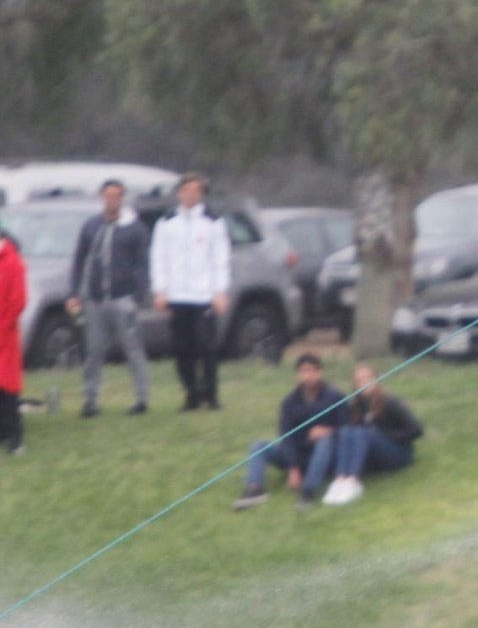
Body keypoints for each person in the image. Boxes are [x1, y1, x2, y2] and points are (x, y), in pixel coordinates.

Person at [67, 179, 152, 417]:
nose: (112, 200)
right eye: (108, 195)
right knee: (94, 350)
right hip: (95, 298)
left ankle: (142, 398)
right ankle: (90, 400)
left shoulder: (134, 228)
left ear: (122, 198)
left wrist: (138, 297)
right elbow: (79, 260)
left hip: (123, 297)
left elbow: (143, 265)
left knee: (132, 349)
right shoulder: (92, 226)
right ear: (102, 198)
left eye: (116, 196)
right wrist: (74, 293)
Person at [150, 172, 231, 411]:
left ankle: (211, 394)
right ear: (179, 193)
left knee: (206, 346)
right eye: (186, 190)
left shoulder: (213, 222)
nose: (190, 195)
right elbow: (158, 258)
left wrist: (219, 291)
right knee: (182, 349)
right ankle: (191, 394)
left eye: (196, 191)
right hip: (177, 296)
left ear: (202, 194)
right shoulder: (167, 222)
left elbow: (220, 259)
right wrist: (160, 290)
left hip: (204, 296)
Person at [232, 353, 346, 510]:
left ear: (320, 372)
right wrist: (293, 468)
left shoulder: (335, 397)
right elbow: (286, 437)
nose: (309, 375)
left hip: (325, 456)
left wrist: (329, 431)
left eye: (313, 370)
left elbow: (348, 430)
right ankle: (254, 489)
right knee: (259, 445)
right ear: (297, 374)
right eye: (304, 371)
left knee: (324, 441)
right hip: (298, 454)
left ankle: (307, 492)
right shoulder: (289, 402)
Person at [322, 362, 423, 506]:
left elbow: (416, 430)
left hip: (398, 452)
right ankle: (340, 479)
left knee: (367, 433)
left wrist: (384, 434)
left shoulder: (389, 402)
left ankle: (353, 481)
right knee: (346, 431)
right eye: (359, 380)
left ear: (376, 380)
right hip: (375, 456)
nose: (364, 383)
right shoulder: (357, 406)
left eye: (367, 378)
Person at [0, 227, 27, 455]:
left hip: (5, 336)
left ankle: (16, 440)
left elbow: (18, 301)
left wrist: (3, 326)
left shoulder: (12, 262)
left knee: (8, 388)